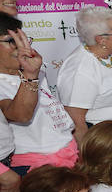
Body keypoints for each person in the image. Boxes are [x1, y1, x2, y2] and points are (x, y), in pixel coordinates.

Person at [0, 15, 76, 171]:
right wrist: (30, 75)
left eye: (24, 40)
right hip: (36, 167)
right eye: (11, 41)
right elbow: (21, 115)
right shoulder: (20, 77)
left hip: (68, 154)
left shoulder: (36, 73)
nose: (22, 47)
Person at [57, 5, 112, 143]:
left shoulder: (108, 55)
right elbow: (77, 125)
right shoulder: (81, 70)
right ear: (101, 40)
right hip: (103, 145)